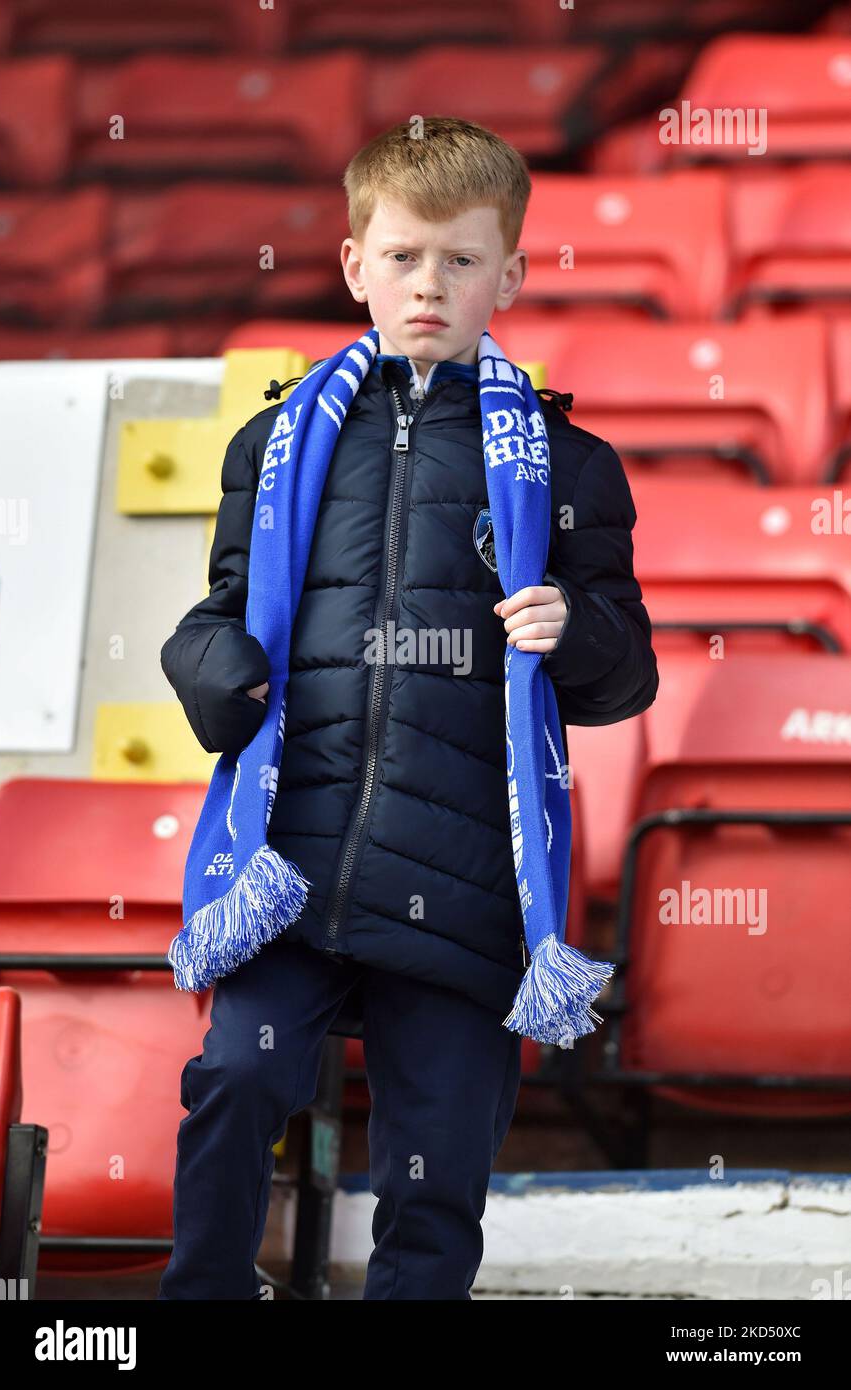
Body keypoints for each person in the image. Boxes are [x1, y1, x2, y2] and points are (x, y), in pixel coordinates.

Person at [156, 116, 659, 1301]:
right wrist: (209, 667)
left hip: (466, 890)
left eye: (461, 259)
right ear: (352, 265)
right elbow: (214, 616)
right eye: (401, 257)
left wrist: (574, 630)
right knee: (230, 1089)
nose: (428, 284)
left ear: (512, 274)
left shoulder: (568, 459)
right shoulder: (273, 440)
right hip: (291, 873)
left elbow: (623, 670)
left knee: (431, 1194)